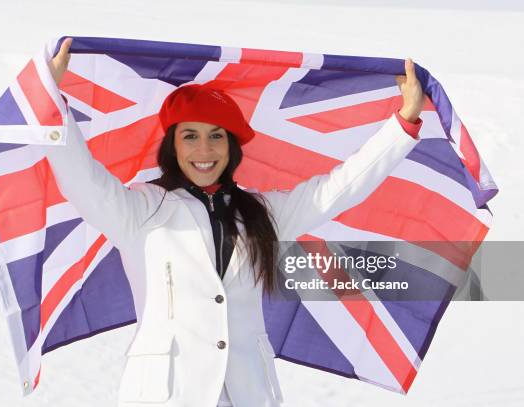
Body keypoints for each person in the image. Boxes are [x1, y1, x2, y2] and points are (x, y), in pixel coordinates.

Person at [45, 38, 424, 407]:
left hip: (248, 393)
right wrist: (50, 102)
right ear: (172, 146)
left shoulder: (261, 213)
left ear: (232, 147)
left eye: (216, 137)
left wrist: (403, 122)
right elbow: (82, 180)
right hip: (169, 395)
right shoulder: (140, 209)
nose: (204, 150)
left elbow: (339, 188)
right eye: (189, 136)